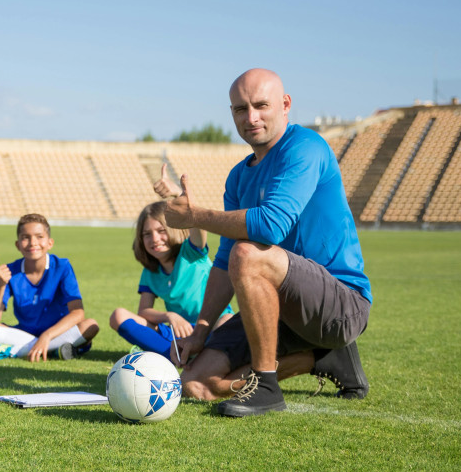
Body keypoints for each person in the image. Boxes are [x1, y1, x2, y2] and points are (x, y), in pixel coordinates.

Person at [153, 68, 371, 417]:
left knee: (249, 252)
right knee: (196, 384)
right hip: (279, 312)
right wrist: (201, 330)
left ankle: (266, 385)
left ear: (285, 105)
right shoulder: (239, 176)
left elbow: (270, 225)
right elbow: (224, 262)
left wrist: (196, 216)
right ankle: (318, 358)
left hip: (340, 305)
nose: (251, 117)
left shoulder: (306, 148)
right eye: (241, 109)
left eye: (260, 105)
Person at [109, 200, 232, 360]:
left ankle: (186, 353)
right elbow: (144, 311)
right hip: (179, 332)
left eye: (161, 230)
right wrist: (170, 316)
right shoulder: (150, 271)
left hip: (210, 328)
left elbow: (199, 231)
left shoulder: (191, 254)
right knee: (118, 316)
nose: (155, 238)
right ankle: (176, 354)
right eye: (147, 234)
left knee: (228, 320)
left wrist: (184, 203)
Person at [0, 213, 99, 361]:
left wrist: (47, 335)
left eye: (39, 236)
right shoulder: (10, 271)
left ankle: (15, 351)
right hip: (24, 333)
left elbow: (78, 313)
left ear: (50, 243)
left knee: (91, 325)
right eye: (26, 237)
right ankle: (55, 350)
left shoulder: (62, 266)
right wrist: (0, 284)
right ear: (18, 244)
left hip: (56, 332)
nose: (33, 242)